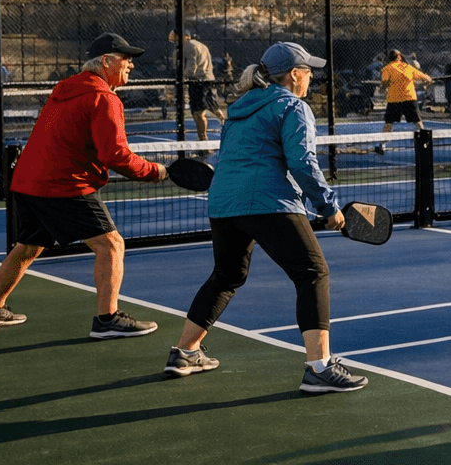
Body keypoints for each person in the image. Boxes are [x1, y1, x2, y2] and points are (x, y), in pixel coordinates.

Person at [163, 41, 367, 393]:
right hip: (269, 202)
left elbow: (229, 158)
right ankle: (319, 368)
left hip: (224, 205)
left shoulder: (239, 109)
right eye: (308, 71)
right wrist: (328, 206)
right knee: (313, 272)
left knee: (226, 276)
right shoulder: (293, 107)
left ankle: (185, 352)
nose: (311, 78)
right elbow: (302, 162)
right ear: (293, 75)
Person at [0, 32, 168, 338]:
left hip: (26, 181)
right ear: (105, 61)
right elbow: (114, 155)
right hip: (62, 185)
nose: (131, 64)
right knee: (111, 245)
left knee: (27, 247)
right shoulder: (104, 98)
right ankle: (108, 320)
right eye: (125, 58)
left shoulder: (64, 89)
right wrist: (154, 171)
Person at [171, 30, 221, 142]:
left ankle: (203, 139)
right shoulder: (201, 45)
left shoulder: (188, 47)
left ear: (185, 37)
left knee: (198, 112)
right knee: (212, 106)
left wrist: (182, 76)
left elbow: (191, 67)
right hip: (208, 79)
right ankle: (222, 125)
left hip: (198, 82)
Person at [379, 49, 433, 143]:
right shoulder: (408, 67)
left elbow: (384, 84)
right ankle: (425, 140)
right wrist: (426, 83)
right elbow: (428, 79)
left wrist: (381, 89)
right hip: (409, 98)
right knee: (418, 121)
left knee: (389, 123)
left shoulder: (387, 68)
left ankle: (381, 145)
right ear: (399, 57)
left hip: (394, 100)